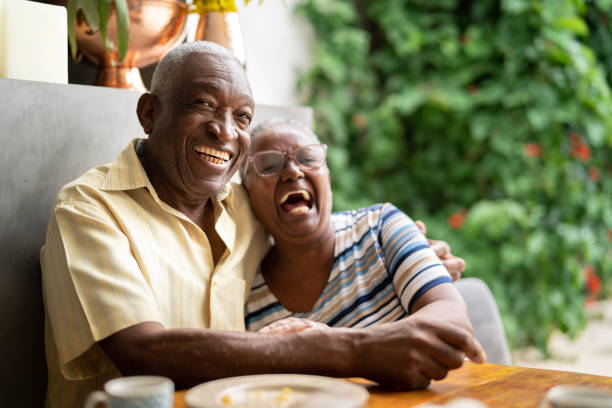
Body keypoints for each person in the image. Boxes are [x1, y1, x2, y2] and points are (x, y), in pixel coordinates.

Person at [41, 41, 485, 408]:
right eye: (204, 104)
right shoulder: (89, 209)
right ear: (150, 113)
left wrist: (413, 250)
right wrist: (354, 348)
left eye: (243, 117)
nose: (226, 131)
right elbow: (142, 353)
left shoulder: (243, 206)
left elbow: (314, 223)